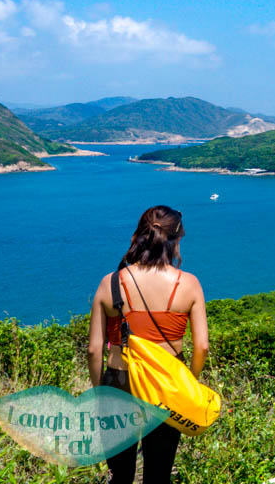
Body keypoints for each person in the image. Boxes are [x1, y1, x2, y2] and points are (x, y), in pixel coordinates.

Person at [87, 205, 209, 483]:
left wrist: (100, 393)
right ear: (176, 240)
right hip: (167, 388)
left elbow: (95, 349)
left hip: (118, 383)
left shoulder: (111, 283)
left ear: (138, 236)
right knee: (158, 474)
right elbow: (201, 346)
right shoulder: (189, 284)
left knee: (120, 475)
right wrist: (188, 383)